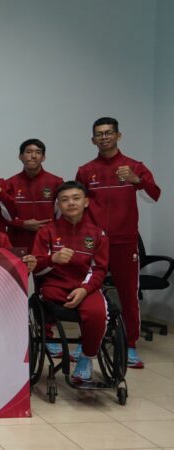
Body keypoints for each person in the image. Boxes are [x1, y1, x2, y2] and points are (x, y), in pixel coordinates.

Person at [75, 117, 161, 368]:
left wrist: (136, 180)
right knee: (86, 292)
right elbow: (77, 205)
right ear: (93, 140)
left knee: (128, 294)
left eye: (108, 133)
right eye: (99, 134)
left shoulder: (134, 166)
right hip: (93, 244)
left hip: (125, 242)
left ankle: (130, 344)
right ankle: (86, 341)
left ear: (118, 136)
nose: (104, 137)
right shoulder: (85, 170)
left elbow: (154, 196)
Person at [32, 181, 109, 382]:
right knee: (47, 296)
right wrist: (53, 259)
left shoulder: (98, 234)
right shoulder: (46, 232)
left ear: (86, 202)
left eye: (76, 198)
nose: (71, 203)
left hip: (86, 287)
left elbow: (99, 269)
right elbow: (36, 267)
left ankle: (86, 357)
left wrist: (84, 289)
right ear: (58, 205)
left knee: (97, 313)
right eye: (64, 200)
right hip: (54, 287)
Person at [3, 139, 63, 251]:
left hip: (48, 241)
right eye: (29, 152)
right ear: (20, 156)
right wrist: (22, 224)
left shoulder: (56, 182)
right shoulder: (9, 184)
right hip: (18, 242)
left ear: (43, 157)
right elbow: (3, 216)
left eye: (38, 152)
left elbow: (62, 215)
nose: (33, 156)